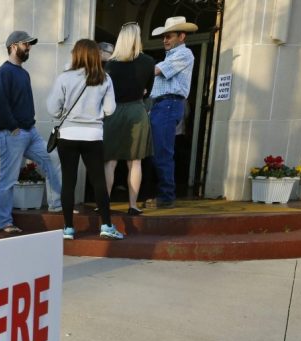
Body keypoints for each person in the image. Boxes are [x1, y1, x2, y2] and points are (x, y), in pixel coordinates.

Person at [46, 39, 123, 240]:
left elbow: (53, 109)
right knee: (98, 180)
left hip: (69, 135)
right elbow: (110, 109)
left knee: (69, 181)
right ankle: (106, 225)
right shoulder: (105, 79)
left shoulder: (64, 78)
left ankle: (68, 228)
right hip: (93, 135)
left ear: (76, 54)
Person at [0, 30, 61, 234]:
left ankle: (57, 204)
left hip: (30, 132)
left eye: (30, 44)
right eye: (25, 44)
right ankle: (4, 222)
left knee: (52, 159)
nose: (29, 47)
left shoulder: (23, 73)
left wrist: (27, 127)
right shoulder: (3, 73)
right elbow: (1, 105)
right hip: (11, 133)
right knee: (8, 179)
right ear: (13, 46)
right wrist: (14, 128)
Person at [103, 22, 155, 215]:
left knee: (110, 161)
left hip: (114, 111)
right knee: (135, 162)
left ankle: (105, 204)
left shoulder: (110, 65)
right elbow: (147, 91)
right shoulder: (149, 62)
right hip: (136, 111)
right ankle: (132, 205)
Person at [147, 16, 197, 209]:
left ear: (181, 36)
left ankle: (166, 197)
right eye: (164, 37)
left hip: (169, 104)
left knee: (163, 153)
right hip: (162, 105)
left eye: (169, 36)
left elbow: (156, 71)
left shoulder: (184, 54)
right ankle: (163, 194)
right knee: (158, 152)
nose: (165, 40)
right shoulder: (171, 56)